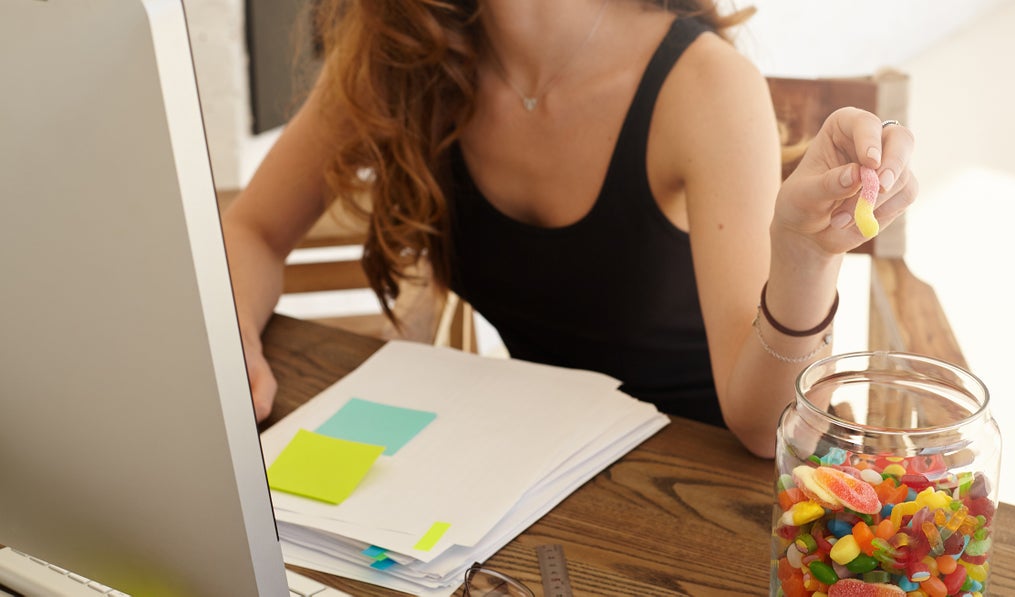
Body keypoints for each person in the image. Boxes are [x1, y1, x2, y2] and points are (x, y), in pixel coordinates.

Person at [222, 0, 917, 459]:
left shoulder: (704, 87)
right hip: (538, 473)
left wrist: (802, 256)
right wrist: (233, 342)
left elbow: (766, 429)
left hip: (712, 488)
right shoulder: (402, 54)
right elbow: (252, 228)